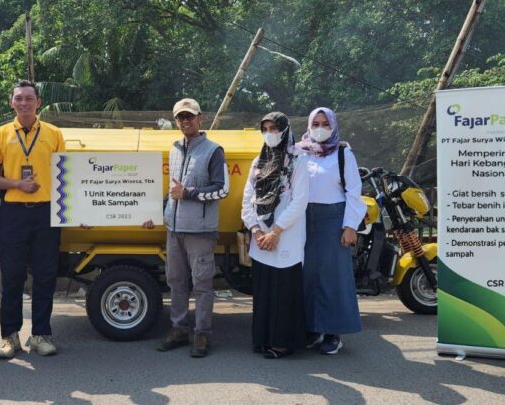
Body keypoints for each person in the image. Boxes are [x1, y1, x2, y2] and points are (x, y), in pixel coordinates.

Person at [0, 80, 65, 359]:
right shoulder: (0, 135)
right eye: (18, 98)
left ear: (38, 102)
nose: (23, 103)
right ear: (11, 102)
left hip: (46, 213)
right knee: (12, 277)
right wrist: (18, 185)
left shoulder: (54, 133)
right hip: (14, 213)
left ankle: (41, 334)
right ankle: (10, 337)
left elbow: (63, 176)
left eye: (29, 98)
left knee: (45, 275)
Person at [155, 98, 228, 358]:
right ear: (176, 121)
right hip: (174, 229)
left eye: (190, 116)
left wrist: (188, 193)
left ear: (201, 118)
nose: (185, 121)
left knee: (202, 284)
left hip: (200, 232)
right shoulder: (174, 149)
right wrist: (156, 213)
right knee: (176, 282)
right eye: (180, 117)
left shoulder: (213, 150)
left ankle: (203, 334)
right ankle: (179, 329)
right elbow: (172, 192)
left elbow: (222, 189)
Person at [297, 107, 366, 355]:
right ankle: (312, 329)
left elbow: (354, 191)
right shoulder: (299, 151)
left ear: (334, 125)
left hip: (332, 220)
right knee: (306, 275)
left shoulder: (343, 153)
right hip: (303, 220)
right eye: (315, 123)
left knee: (332, 277)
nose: (320, 127)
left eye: (325, 123)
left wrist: (349, 226)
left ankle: (333, 332)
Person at [241, 112, 310, 359]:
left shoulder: (298, 161)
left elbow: (300, 201)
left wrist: (276, 231)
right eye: (265, 128)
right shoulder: (259, 162)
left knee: (284, 291)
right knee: (264, 291)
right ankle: (262, 339)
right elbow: (247, 200)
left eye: (274, 128)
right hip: (261, 238)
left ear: (284, 130)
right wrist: (257, 230)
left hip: (286, 237)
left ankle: (283, 343)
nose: (269, 133)